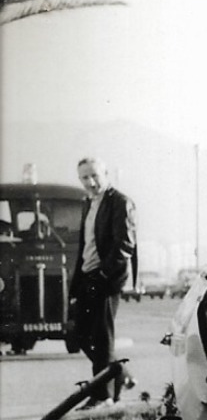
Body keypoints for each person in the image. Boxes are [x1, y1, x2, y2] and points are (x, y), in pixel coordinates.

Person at [70, 157, 138, 405]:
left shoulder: (120, 203)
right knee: (80, 334)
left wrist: (103, 275)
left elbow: (124, 245)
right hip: (88, 277)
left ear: (106, 174)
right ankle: (120, 374)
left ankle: (102, 397)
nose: (91, 182)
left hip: (106, 280)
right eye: (85, 177)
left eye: (95, 175)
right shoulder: (88, 203)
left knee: (101, 337)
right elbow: (86, 246)